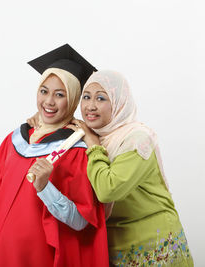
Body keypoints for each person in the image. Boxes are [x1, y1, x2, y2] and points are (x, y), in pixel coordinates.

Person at [0, 44, 109, 267]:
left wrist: (45, 187)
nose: (48, 102)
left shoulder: (76, 152)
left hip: (38, 256)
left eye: (60, 95)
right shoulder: (14, 140)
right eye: (44, 91)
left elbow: (81, 222)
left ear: (74, 100)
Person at [66, 70, 194, 266]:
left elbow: (108, 190)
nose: (90, 106)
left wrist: (93, 145)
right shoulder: (92, 136)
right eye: (86, 97)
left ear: (119, 103)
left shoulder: (136, 139)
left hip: (154, 242)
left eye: (101, 98)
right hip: (116, 246)